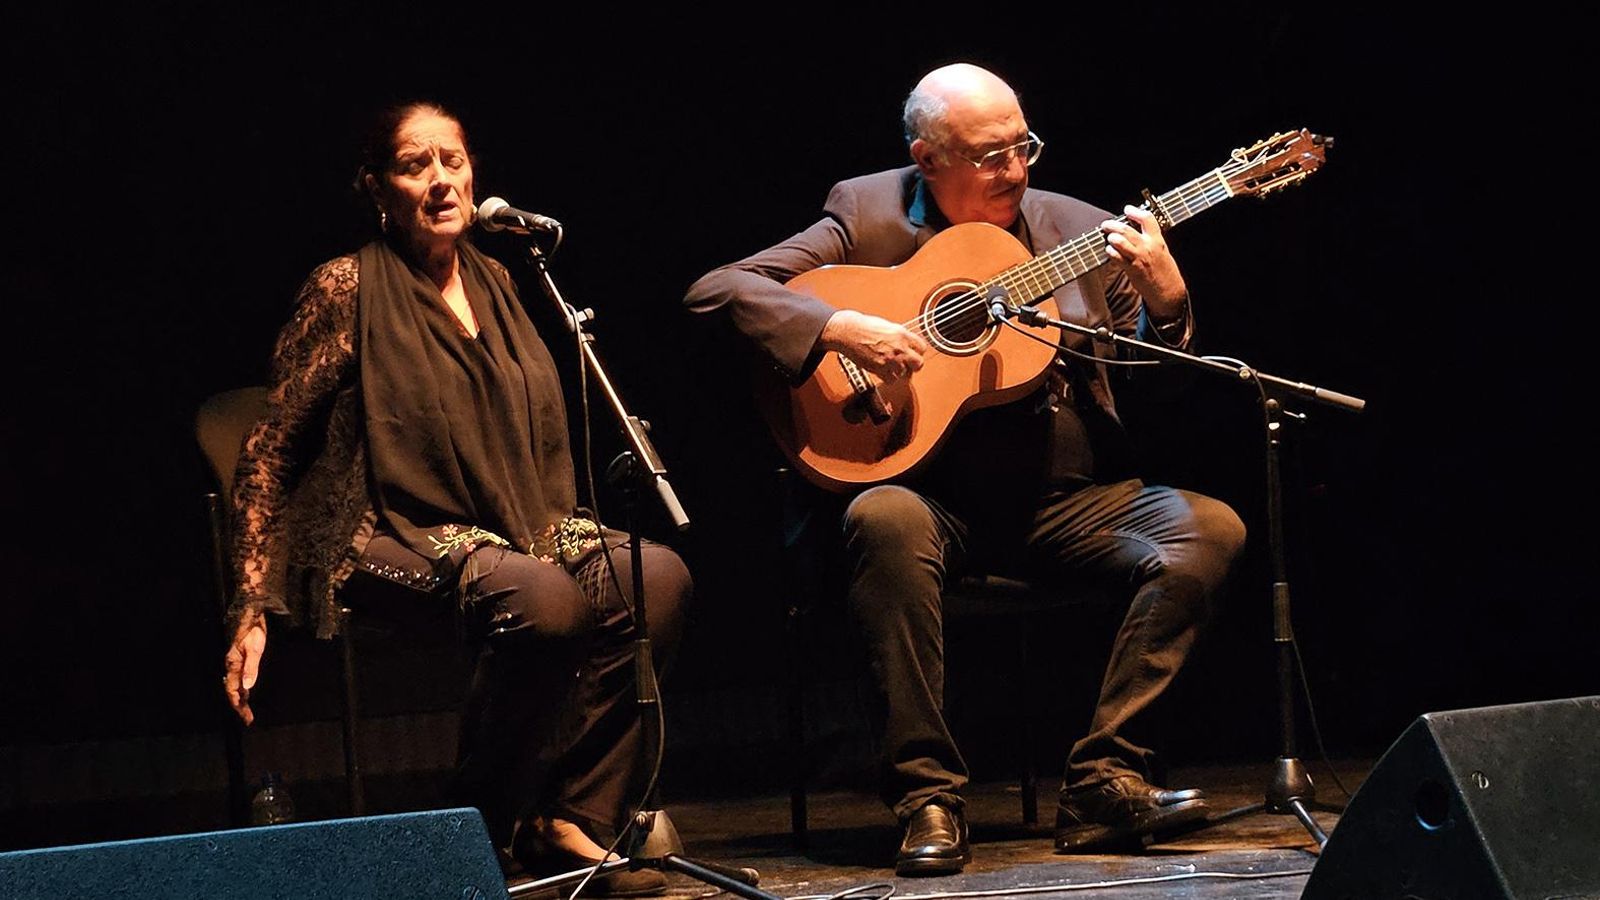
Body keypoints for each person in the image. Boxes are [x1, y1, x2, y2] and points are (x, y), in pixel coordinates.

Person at [684, 63, 1247, 875]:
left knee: (1210, 530)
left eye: (1023, 147)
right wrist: (842, 325)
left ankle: (1103, 779)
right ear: (928, 158)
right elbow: (718, 290)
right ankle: (928, 799)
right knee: (881, 518)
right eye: (990, 155)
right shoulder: (866, 212)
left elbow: (1154, 385)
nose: (1015, 171)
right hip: (927, 501)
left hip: (1063, 502)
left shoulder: (1080, 232)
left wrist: (1167, 304)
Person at [222, 100, 688, 897]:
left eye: (454, 160)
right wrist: (250, 601)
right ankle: (470, 831)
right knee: (543, 603)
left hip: (511, 517)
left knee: (654, 579)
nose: (441, 180)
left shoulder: (503, 278)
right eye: (415, 165)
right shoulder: (346, 287)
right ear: (378, 187)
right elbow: (269, 448)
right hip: (376, 523)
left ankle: (570, 814)